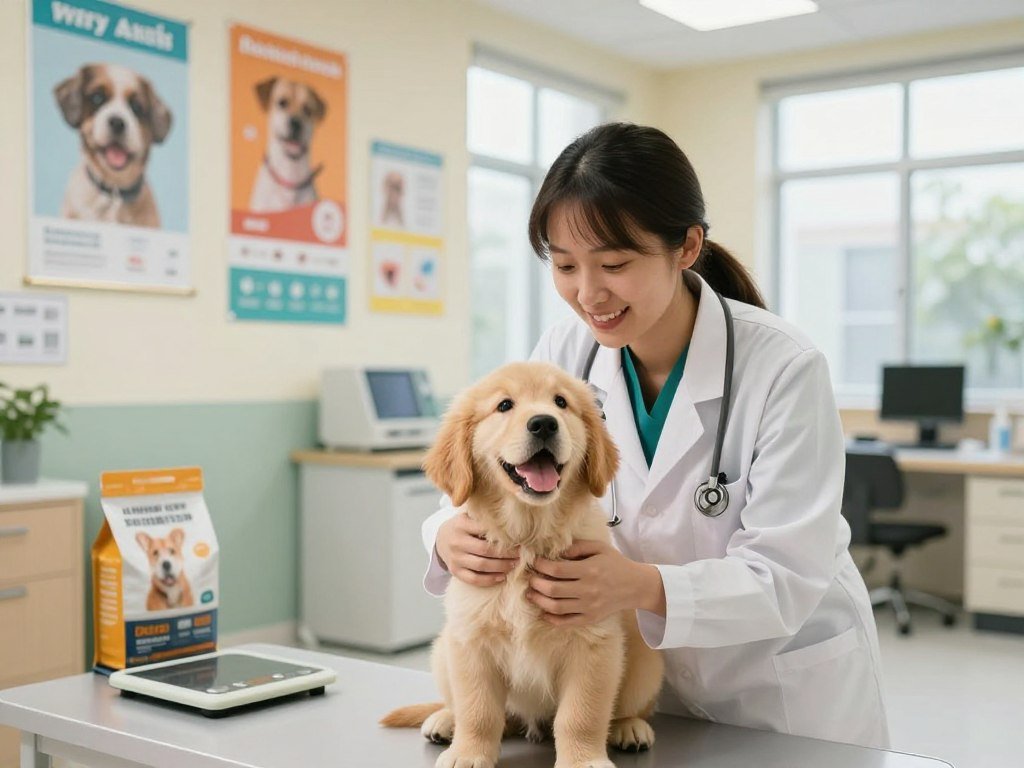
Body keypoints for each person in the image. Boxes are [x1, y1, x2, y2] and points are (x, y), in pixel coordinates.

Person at [421, 122, 889, 748]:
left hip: (774, 691)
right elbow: (490, 464)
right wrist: (445, 535)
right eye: (564, 266)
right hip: (632, 691)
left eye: (614, 263)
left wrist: (639, 585)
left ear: (688, 246)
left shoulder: (783, 367)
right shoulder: (567, 352)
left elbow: (787, 574)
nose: (588, 294)